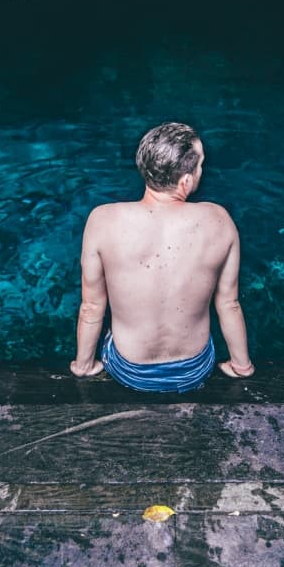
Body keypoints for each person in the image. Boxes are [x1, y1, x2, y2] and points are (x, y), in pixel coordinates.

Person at [70, 121, 254, 391]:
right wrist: (242, 365)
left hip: (129, 371)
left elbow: (91, 307)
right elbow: (229, 304)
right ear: (187, 180)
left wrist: (84, 366)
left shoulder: (102, 220)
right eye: (201, 164)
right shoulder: (219, 220)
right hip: (195, 369)